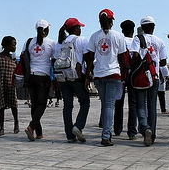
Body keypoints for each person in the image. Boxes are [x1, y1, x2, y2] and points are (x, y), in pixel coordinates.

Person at [85, 9, 126, 146]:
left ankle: (106, 132)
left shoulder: (94, 36)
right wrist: (124, 76)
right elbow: (122, 59)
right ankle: (106, 136)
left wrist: (87, 77)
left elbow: (89, 59)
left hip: (99, 76)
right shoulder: (118, 36)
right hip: (114, 74)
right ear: (111, 21)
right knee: (109, 105)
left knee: (105, 104)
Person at [129, 16, 167, 146]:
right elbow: (163, 61)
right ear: (153, 27)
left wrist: (131, 69)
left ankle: (145, 128)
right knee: (152, 106)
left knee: (140, 105)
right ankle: (152, 136)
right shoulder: (160, 41)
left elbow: (134, 55)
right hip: (154, 76)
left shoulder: (137, 39)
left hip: (141, 77)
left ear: (142, 28)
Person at [54, 18, 90, 143]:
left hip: (62, 78)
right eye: (79, 27)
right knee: (85, 102)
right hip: (77, 77)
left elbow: (54, 61)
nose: (80, 29)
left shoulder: (59, 42)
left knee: (67, 106)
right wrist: (87, 77)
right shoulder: (81, 40)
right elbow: (87, 59)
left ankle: (69, 135)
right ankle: (78, 126)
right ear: (75, 29)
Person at [24, 19, 56, 141]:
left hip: (31, 77)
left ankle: (39, 132)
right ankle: (32, 127)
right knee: (42, 104)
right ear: (46, 30)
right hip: (43, 76)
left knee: (35, 104)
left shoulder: (28, 42)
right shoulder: (51, 43)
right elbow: (54, 60)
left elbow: (24, 58)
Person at [111, 19, 137, 139]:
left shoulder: (119, 41)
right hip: (134, 75)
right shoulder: (136, 42)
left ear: (122, 30)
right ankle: (132, 131)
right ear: (133, 30)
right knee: (133, 103)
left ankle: (117, 128)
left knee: (118, 102)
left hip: (121, 74)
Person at [0, 36, 19, 136]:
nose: (15, 47)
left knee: (14, 105)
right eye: (14, 44)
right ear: (7, 45)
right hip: (2, 85)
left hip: (12, 85)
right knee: (1, 107)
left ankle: (16, 123)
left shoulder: (13, 59)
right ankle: (1, 128)